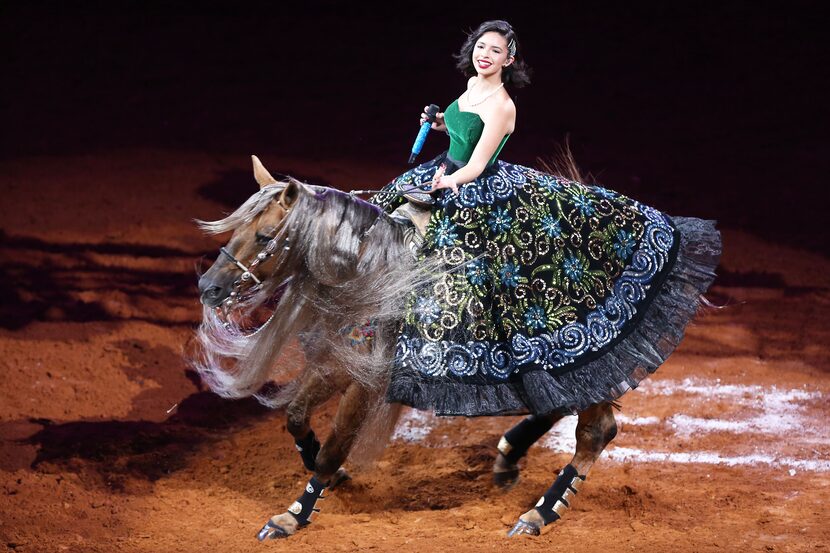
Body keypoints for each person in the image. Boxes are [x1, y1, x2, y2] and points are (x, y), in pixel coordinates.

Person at [369, 14, 720, 453]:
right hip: (448, 172)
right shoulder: (473, 88)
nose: (485, 55)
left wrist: (451, 183)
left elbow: (478, 162)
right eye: (481, 47)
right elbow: (462, 129)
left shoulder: (503, 105)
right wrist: (440, 121)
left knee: (466, 275)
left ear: (509, 59)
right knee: (380, 216)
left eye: (496, 51)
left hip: (475, 190)